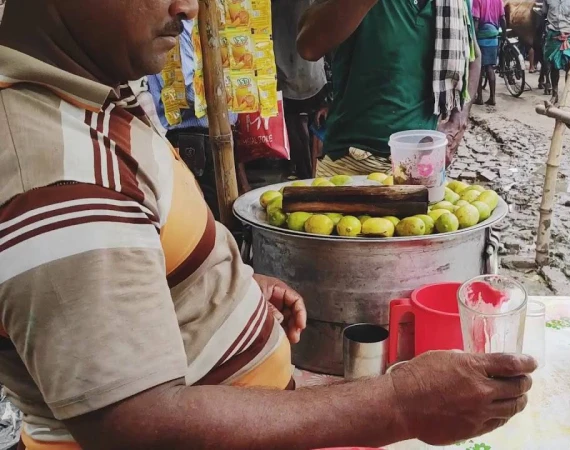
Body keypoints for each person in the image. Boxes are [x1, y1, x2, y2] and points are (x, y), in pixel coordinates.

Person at [0, 1, 536, 449]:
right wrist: (397, 405)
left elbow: (111, 266)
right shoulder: (55, 168)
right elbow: (138, 425)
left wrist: (223, 288)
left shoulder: (88, 99)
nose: (188, 6)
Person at [298, 0, 482, 176]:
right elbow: (308, 46)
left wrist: (457, 121)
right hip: (349, 161)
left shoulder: (455, 3)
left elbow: (472, 56)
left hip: (420, 165)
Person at [146, 20, 239, 218]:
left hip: (205, 135)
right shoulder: (178, 27)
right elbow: (189, 92)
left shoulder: (198, 23)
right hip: (193, 136)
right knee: (206, 212)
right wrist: (226, 93)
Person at [273, 0, 328, 180]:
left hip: (302, 67)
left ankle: (306, 173)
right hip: (297, 67)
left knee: (301, 125)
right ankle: (307, 174)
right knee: (303, 125)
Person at [541, 0, 570, 105]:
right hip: (553, 34)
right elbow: (544, 12)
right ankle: (554, 94)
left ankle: (568, 96)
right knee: (553, 65)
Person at [473, 0, 505, 106]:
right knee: (490, 67)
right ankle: (492, 98)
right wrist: (503, 37)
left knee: (479, 68)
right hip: (494, 37)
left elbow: (476, 20)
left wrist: (474, 37)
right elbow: (503, 19)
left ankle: (480, 98)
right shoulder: (499, 1)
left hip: (482, 36)